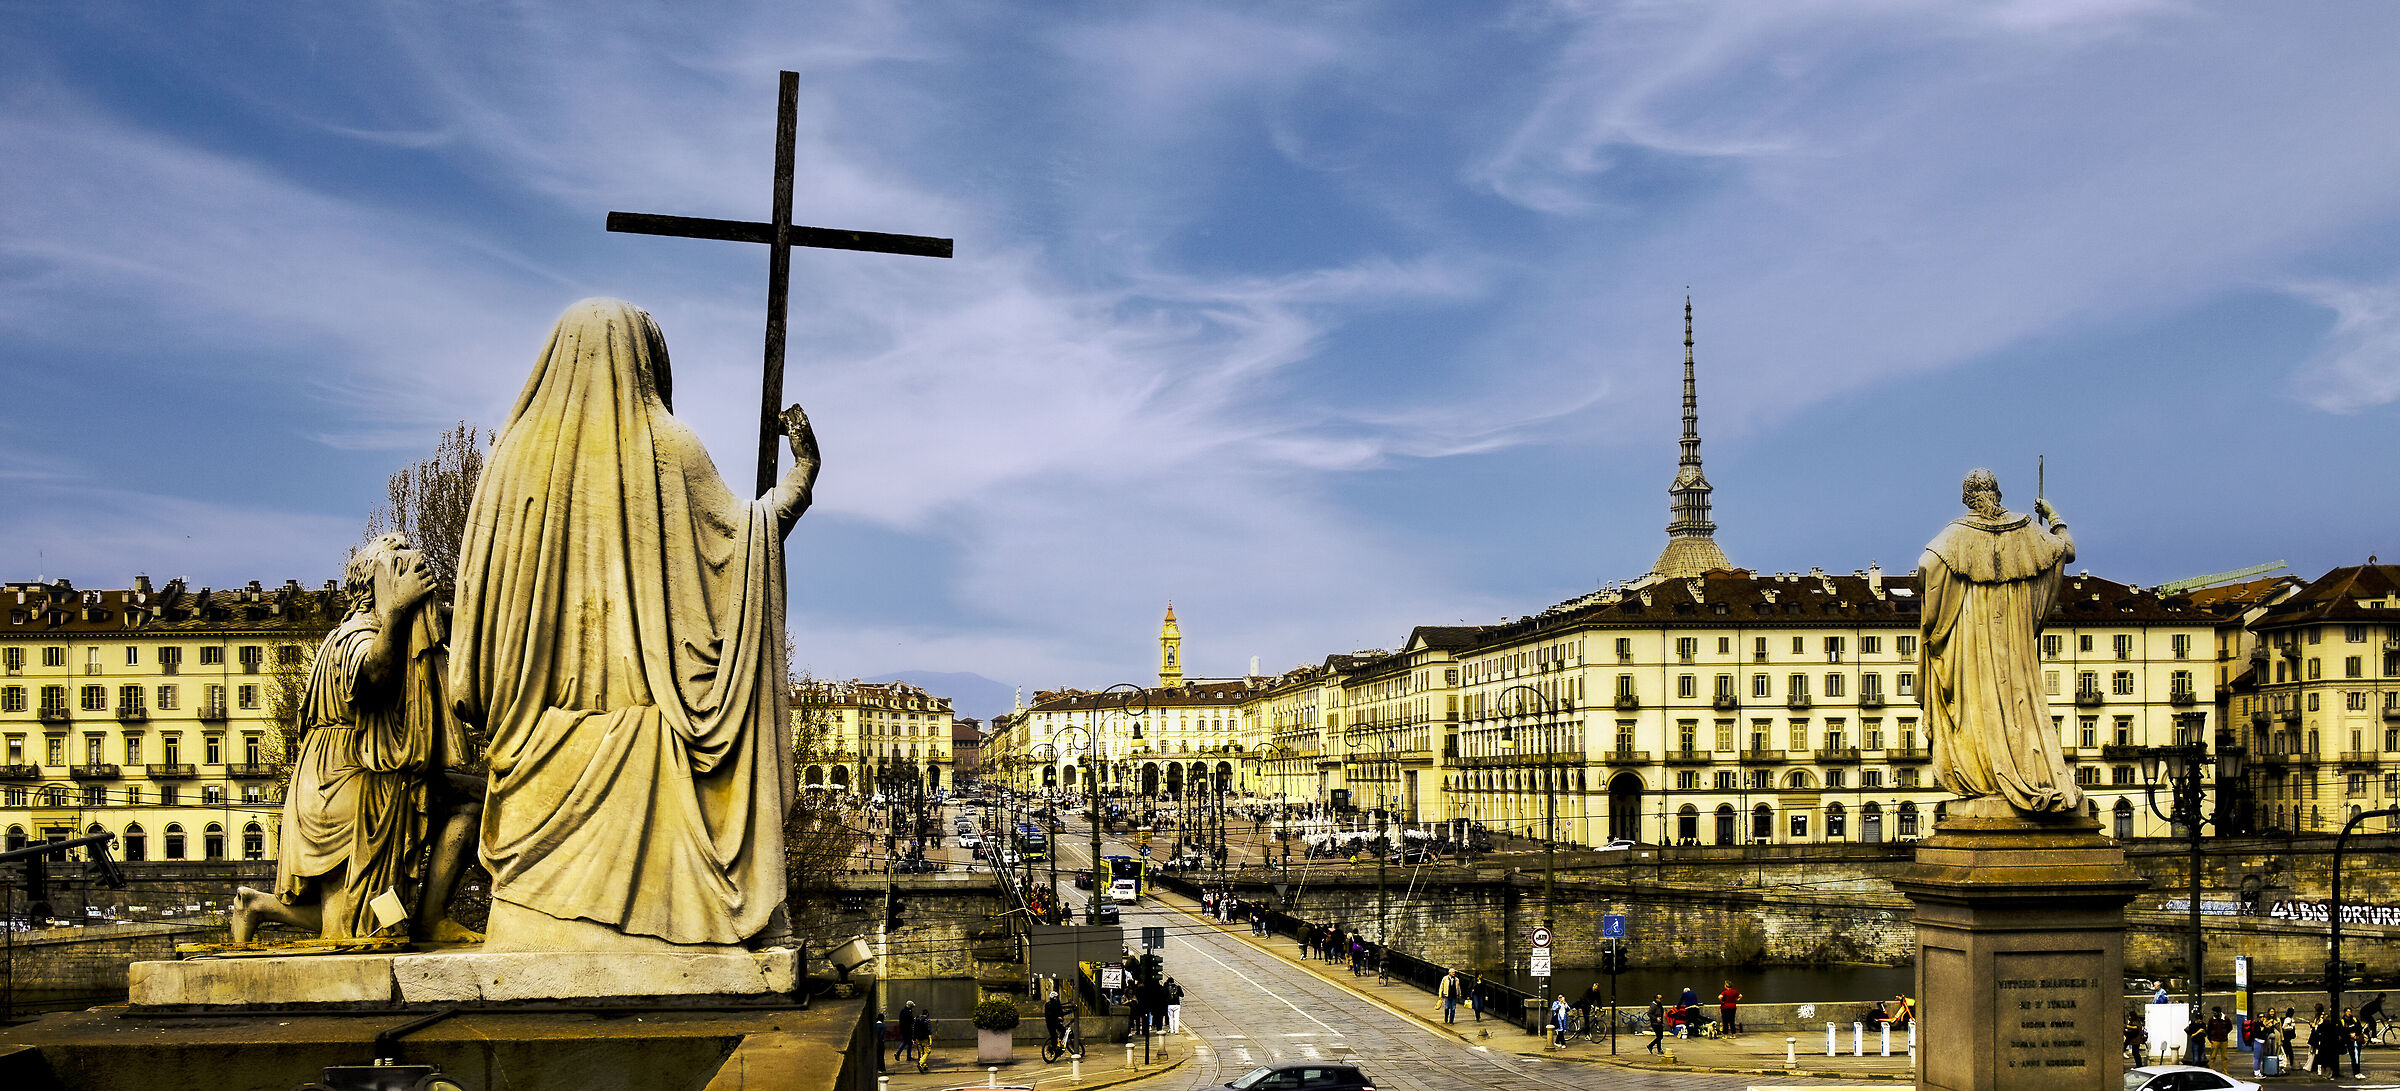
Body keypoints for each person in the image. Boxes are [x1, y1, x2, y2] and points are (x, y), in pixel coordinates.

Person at [450, 299, 817, 949]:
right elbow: (745, 542)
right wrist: (803, 477)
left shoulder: (510, 460)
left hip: (530, 753)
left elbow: (473, 638)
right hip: (643, 754)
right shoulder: (666, 443)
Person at [233, 533, 482, 944]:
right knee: (355, 926)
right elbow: (372, 678)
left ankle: (257, 905)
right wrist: (400, 611)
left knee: (475, 801)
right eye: (398, 572)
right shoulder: (358, 633)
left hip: (347, 776)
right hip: (348, 785)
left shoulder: (369, 631)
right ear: (376, 585)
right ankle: (256, 905)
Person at [1916, 469, 2080, 814]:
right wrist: (2054, 516)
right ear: (1997, 493)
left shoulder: (1957, 534)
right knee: (2020, 702)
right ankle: (2030, 770)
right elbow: (2066, 550)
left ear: (1967, 497)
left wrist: (1938, 611)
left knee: (1979, 705)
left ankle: (1988, 775)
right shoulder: (2024, 528)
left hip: (1974, 635)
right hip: (2014, 639)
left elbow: (1927, 565)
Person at [2204, 1006, 2230, 1071]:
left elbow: (2230, 1027)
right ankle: (2211, 1069)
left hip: (2224, 1040)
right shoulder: (2211, 1020)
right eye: (2213, 1013)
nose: (2214, 1014)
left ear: (2219, 1012)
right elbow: (2208, 1030)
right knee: (2213, 1056)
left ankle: (2225, 1070)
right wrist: (2210, 1039)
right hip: (2215, 1040)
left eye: (2215, 1013)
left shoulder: (2226, 1019)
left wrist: (2224, 1033)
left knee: (2224, 1057)